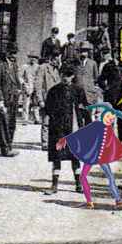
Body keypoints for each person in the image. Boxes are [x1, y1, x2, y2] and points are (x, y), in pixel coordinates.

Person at [58, 102, 122, 210]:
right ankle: (90, 202)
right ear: (104, 114)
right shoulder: (97, 125)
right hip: (92, 155)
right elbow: (81, 133)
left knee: (109, 177)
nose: (111, 119)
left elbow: (115, 142)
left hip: (99, 156)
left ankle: (117, 200)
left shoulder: (108, 128)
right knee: (84, 176)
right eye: (109, 116)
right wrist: (65, 139)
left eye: (113, 118)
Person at [43, 65, 85, 195]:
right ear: (60, 75)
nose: (65, 78)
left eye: (68, 75)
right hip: (58, 128)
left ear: (72, 76)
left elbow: (85, 110)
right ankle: (54, 185)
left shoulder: (78, 90)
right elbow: (48, 110)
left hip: (73, 128)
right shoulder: (54, 91)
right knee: (57, 156)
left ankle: (79, 184)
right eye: (63, 75)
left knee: (75, 156)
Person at [0, 43, 21, 158]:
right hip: (3, 99)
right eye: (12, 53)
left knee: (12, 123)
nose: (13, 55)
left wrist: (19, 88)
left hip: (13, 98)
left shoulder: (14, 65)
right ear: (7, 52)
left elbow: (16, 79)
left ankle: (10, 146)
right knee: (3, 124)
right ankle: (5, 149)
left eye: (15, 53)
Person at [20, 53, 41, 123]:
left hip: (35, 88)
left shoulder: (38, 67)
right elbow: (20, 77)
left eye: (35, 58)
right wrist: (24, 84)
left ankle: (36, 119)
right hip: (27, 87)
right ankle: (25, 119)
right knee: (26, 104)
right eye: (31, 57)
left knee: (36, 104)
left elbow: (39, 78)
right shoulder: (25, 67)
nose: (33, 59)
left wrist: (38, 86)